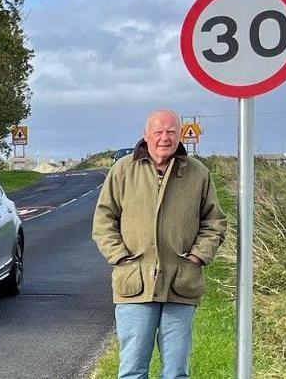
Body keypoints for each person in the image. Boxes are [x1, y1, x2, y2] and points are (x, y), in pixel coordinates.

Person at [92, 109, 227, 379]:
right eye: (158, 132)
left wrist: (198, 256)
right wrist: (119, 256)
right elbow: (104, 219)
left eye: (171, 132)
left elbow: (214, 221)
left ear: (180, 135)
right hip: (135, 285)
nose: (164, 138)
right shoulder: (123, 169)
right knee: (132, 371)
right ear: (146, 135)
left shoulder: (198, 173)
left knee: (176, 372)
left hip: (181, 283)